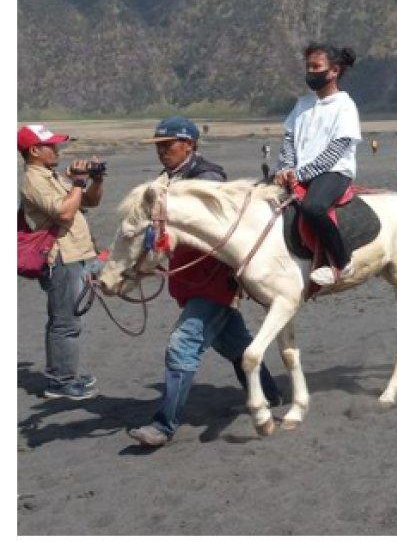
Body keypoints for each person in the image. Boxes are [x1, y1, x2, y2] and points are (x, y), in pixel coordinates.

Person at [127, 117, 281, 447]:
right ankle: (270, 395)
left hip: (213, 279)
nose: (162, 151)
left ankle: (163, 426)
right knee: (236, 345)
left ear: (190, 145)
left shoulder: (208, 178)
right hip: (191, 279)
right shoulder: (166, 180)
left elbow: (214, 233)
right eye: (159, 146)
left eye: (168, 145)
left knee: (182, 344)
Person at [18, 124, 104, 400]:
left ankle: (64, 374)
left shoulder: (51, 175)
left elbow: (89, 201)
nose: (57, 149)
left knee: (65, 319)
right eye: (51, 145)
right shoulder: (34, 180)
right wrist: (78, 182)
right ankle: (61, 381)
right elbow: (65, 213)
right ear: (34, 151)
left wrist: (95, 180)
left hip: (75, 253)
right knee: (65, 322)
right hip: (61, 257)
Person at [276, 42, 363, 286]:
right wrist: (285, 167)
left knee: (313, 207)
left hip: (334, 172)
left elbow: (337, 149)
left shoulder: (345, 106)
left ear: (334, 71)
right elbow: (289, 138)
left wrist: (302, 173)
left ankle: (342, 262)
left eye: (316, 67)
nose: (311, 72)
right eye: (308, 67)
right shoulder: (302, 103)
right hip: (298, 171)